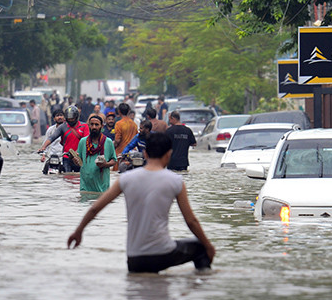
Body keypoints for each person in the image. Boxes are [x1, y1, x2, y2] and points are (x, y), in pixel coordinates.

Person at [67, 132, 216, 274]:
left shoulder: (126, 179)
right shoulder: (175, 181)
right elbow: (191, 221)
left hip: (134, 258)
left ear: (145, 154)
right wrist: (208, 245)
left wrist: (78, 231)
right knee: (201, 248)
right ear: (169, 154)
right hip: (162, 254)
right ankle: (200, 288)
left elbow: (95, 208)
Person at [38, 106, 89, 173]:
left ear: (76, 117)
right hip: (67, 157)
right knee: (66, 176)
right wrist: (43, 147)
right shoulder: (63, 126)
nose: (70, 120)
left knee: (80, 176)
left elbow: (86, 141)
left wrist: (77, 152)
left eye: (72, 118)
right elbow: (52, 137)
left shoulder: (84, 126)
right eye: (69, 118)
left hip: (80, 157)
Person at [73, 114, 116, 193]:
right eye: (92, 124)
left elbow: (114, 160)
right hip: (85, 187)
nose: (94, 127)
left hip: (102, 188)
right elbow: (79, 162)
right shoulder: (83, 142)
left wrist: (105, 164)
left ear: (102, 126)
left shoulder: (108, 142)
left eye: (96, 125)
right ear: (88, 126)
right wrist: (75, 161)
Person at [40, 110, 65, 174]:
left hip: (63, 157)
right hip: (52, 157)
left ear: (64, 117)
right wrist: (43, 155)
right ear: (54, 119)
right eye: (57, 116)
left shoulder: (68, 129)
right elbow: (46, 142)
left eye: (61, 115)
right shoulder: (50, 130)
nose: (59, 117)